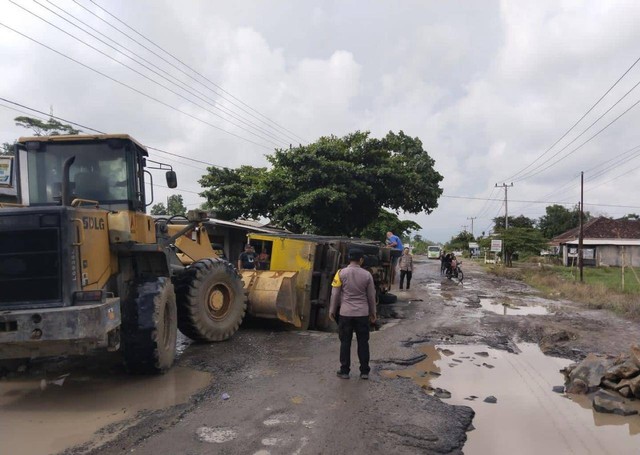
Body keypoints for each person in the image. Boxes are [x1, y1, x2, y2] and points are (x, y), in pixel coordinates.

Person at [329, 248, 377, 380]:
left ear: (349, 259)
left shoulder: (340, 273)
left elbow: (335, 294)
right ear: (361, 260)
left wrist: (332, 310)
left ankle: (344, 371)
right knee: (363, 342)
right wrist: (373, 312)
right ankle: (364, 372)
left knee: (345, 342)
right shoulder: (367, 275)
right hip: (362, 313)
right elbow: (371, 296)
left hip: (345, 313)